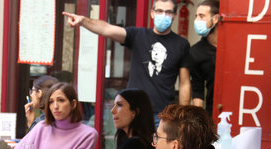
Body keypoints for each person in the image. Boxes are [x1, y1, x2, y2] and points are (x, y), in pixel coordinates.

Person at [63, 0, 191, 124]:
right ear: (152, 13)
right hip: (132, 112)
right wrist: (83, 21)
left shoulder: (181, 44)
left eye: (168, 12)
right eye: (159, 11)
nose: (163, 15)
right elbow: (106, 29)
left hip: (162, 116)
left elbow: (184, 83)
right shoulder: (137, 35)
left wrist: (183, 117)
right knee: (130, 146)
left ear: (174, 15)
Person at [15, 82, 98, 149]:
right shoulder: (41, 127)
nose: (55, 106)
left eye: (61, 100)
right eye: (51, 102)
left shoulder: (88, 135)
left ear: (73, 104)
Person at [189, 0, 220, 115]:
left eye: (202, 16)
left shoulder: (234, 44)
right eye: (196, 16)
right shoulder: (196, 52)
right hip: (213, 113)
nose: (197, 21)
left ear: (215, 19)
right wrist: (199, 119)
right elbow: (198, 89)